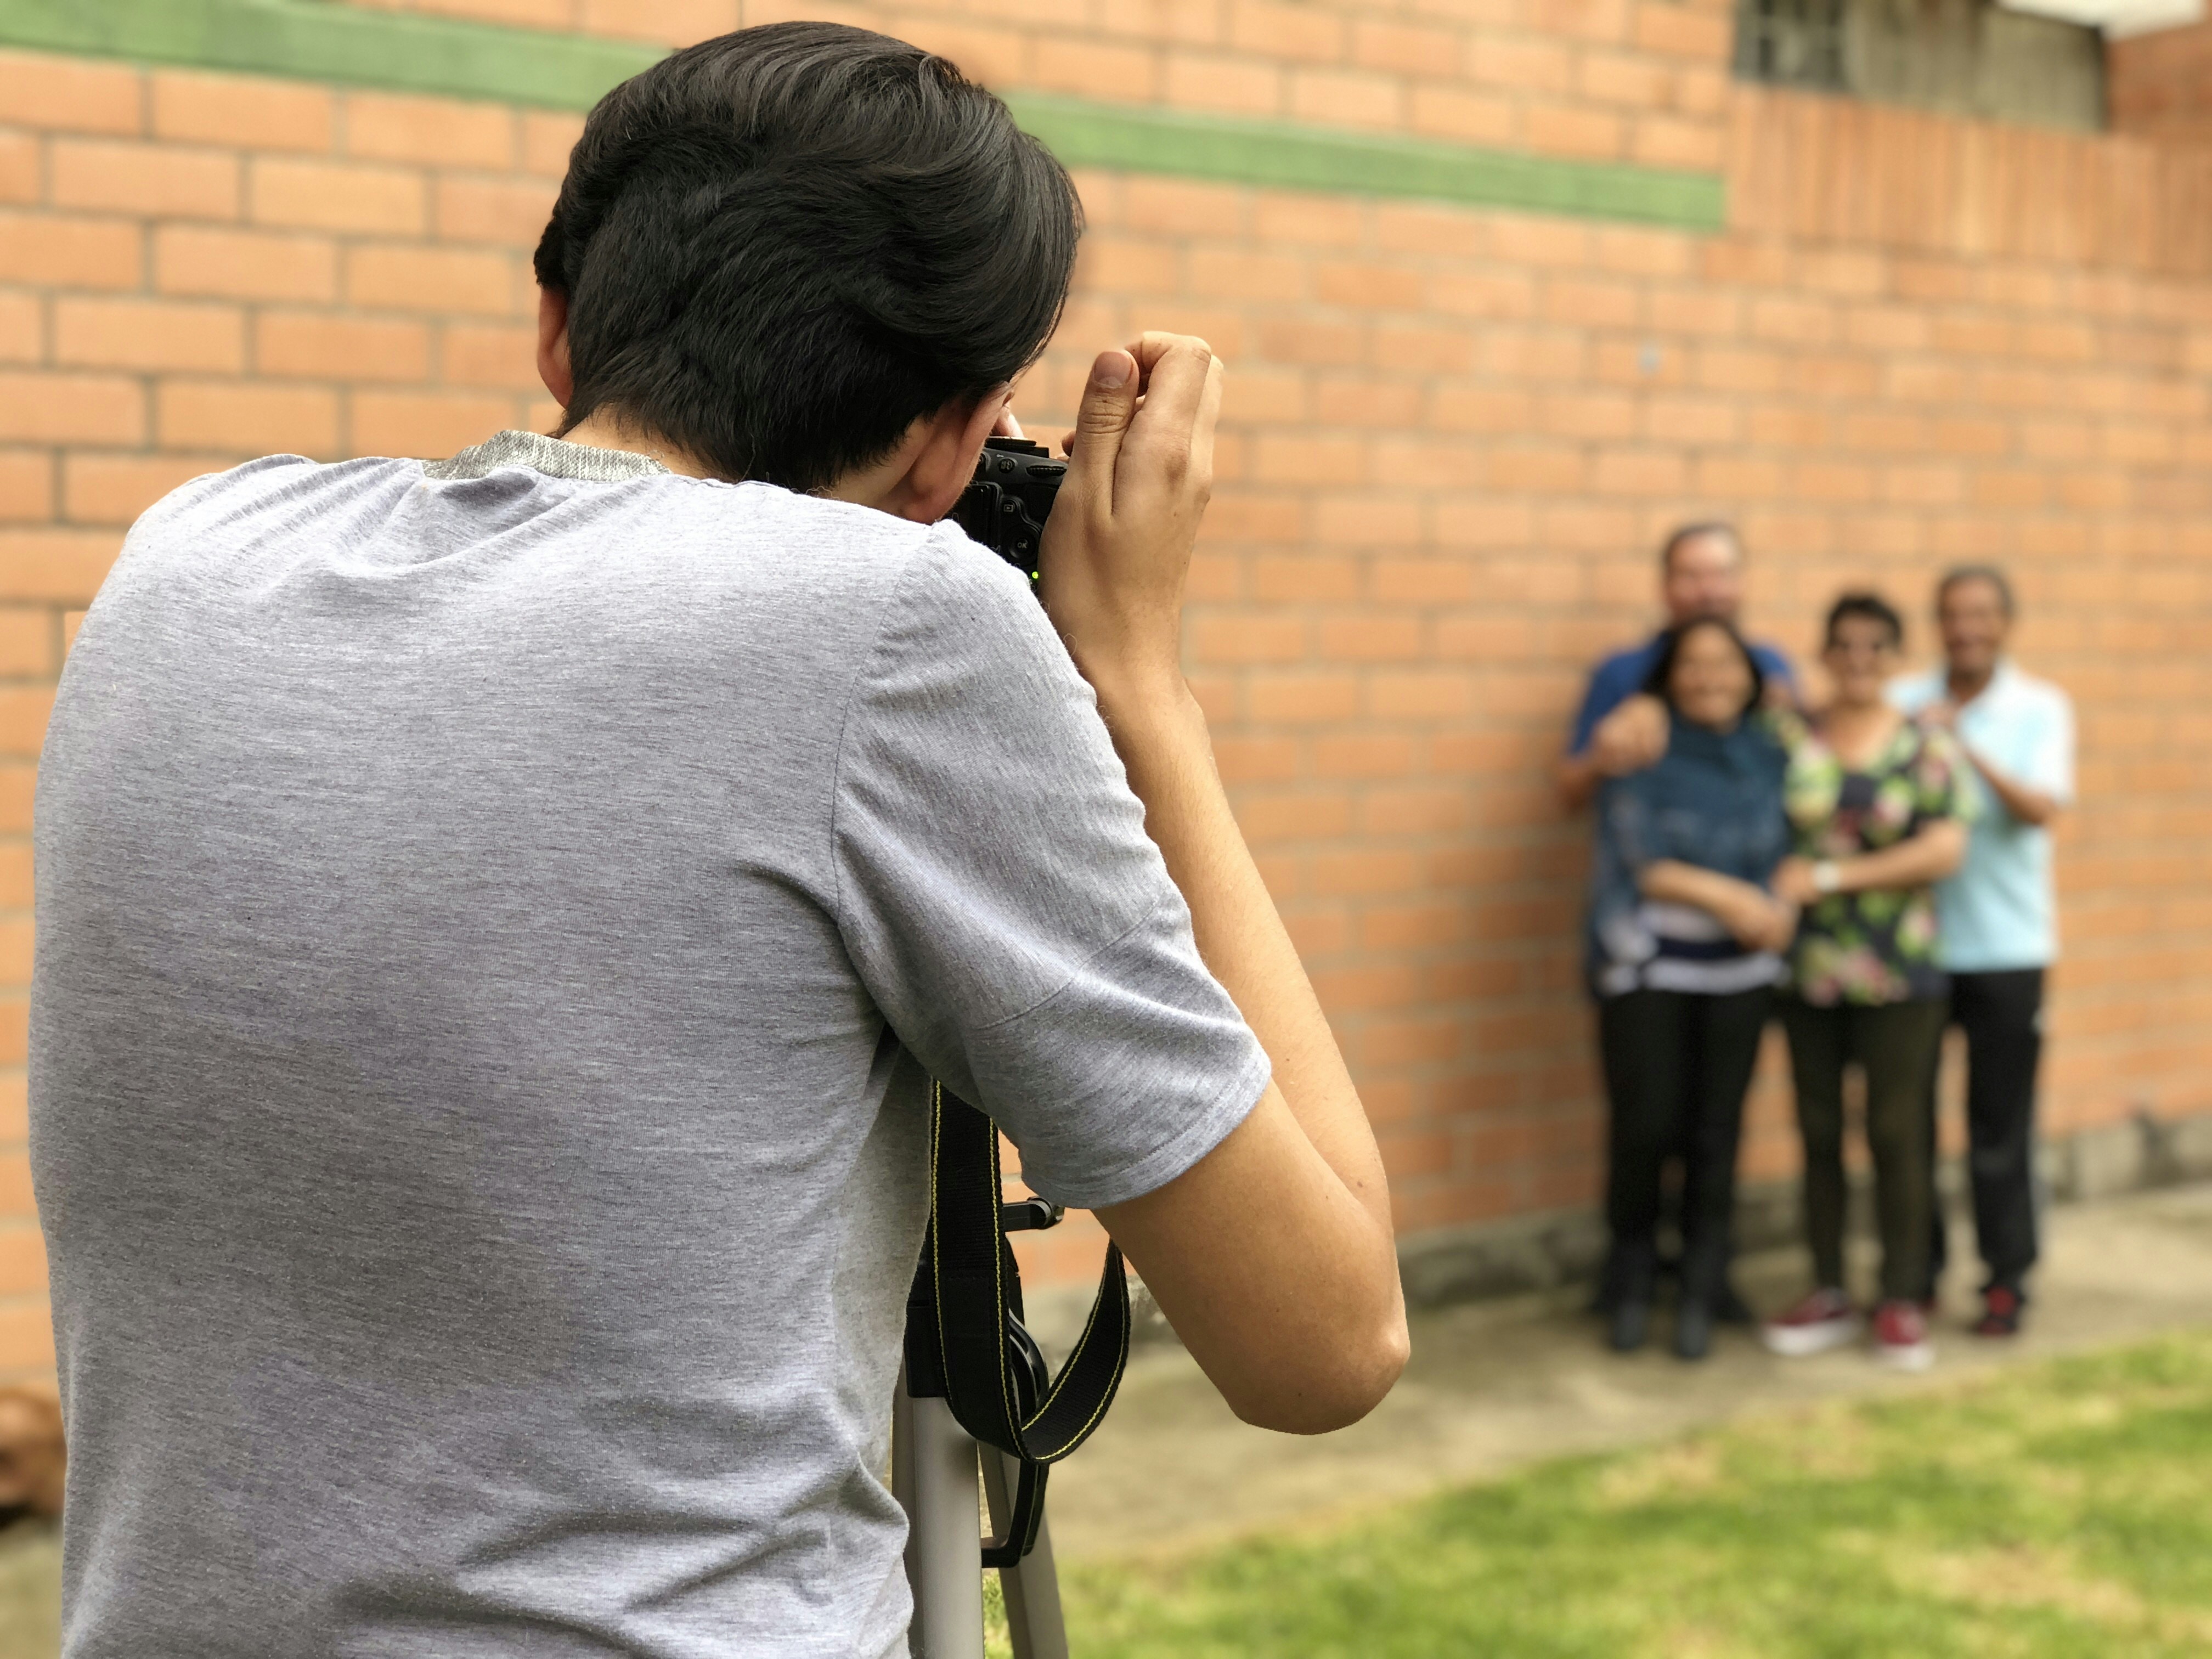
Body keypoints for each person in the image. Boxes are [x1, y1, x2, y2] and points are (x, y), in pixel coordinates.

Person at [30, 27, 1408, 1658]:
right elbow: (1326, 1342)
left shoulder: (193, 552)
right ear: (955, 442)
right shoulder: (898, 627)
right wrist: (1140, 686)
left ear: (558, 321)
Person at [1762, 594, 1971, 1372]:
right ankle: (1827, 1287)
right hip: (1809, 971)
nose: (1858, 659)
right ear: (1823, 653)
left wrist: (1829, 876)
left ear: (1896, 657)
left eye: (1875, 646)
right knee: (1818, 1131)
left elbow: (1944, 850)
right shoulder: (1792, 737)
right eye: (1844, 645)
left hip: (1900, 972)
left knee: (1895, 1132)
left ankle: (1901, 1297)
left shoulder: (1926, 742)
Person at [1587, 618, 1795, 1361]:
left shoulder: (1773, 752)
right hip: (1651, 969)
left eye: (1726, 663)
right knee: (1646, 1130)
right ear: (1669, 677)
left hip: (1742, 975)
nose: (1711, 677)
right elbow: (1644, 861)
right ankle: (1632, 1279)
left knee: (1718, 1132)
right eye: (1694, 664)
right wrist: (1733, 898)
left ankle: (1705, 1286)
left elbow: (1798, 841)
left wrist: (1778, 903)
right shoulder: (1642, 743)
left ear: (1751, 676)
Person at [1890, 566, 2074, 1338]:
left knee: (2000, 1126)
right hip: (1917, 948)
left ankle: (2006, 1280)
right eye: (1952, 615)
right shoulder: (1903, 700)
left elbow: (2038, 810)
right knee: (1910, 1124)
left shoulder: (2040, 706)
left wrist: (1959, 747)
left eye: (1981, 614)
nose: (1966, 628)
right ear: (1937, 623)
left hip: (2008, 949)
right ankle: (1916, 1275)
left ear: (2005, 622)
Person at [1555, 522, 1797, 814]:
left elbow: (1805, 766)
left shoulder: (1769, 666)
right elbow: (1570, 790)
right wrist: (1604, 754)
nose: (1708, 591)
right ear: (1665, 585)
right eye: (1691, 576)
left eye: (1721, 574)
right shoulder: (1622, 672)